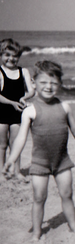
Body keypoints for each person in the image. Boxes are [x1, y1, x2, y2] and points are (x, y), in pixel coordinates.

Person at [2, 61, 75, 241]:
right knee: (39, 198)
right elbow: (21, 138)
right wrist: (12, 159)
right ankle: (37, 232)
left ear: (59, 84)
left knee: (67, 194)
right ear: (34, 83)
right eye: (43, 82)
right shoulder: (30, 110)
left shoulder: (65, 107)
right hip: (40, 163)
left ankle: (73, 226)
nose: (48, 87)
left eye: (53, 83)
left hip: (62, 161)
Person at [0, 39, 34, 182]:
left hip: (17, 112)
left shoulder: (23, 71)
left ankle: (17, 171)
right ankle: (1, 172)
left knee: (16, 144)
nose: (11, 58)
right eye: (7, 55)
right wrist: (12, 103)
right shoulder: (0, 72)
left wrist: (24, 98)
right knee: (2, 145)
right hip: (1, 112)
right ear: (1, 55)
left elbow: (31, 90)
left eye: (14, 55)